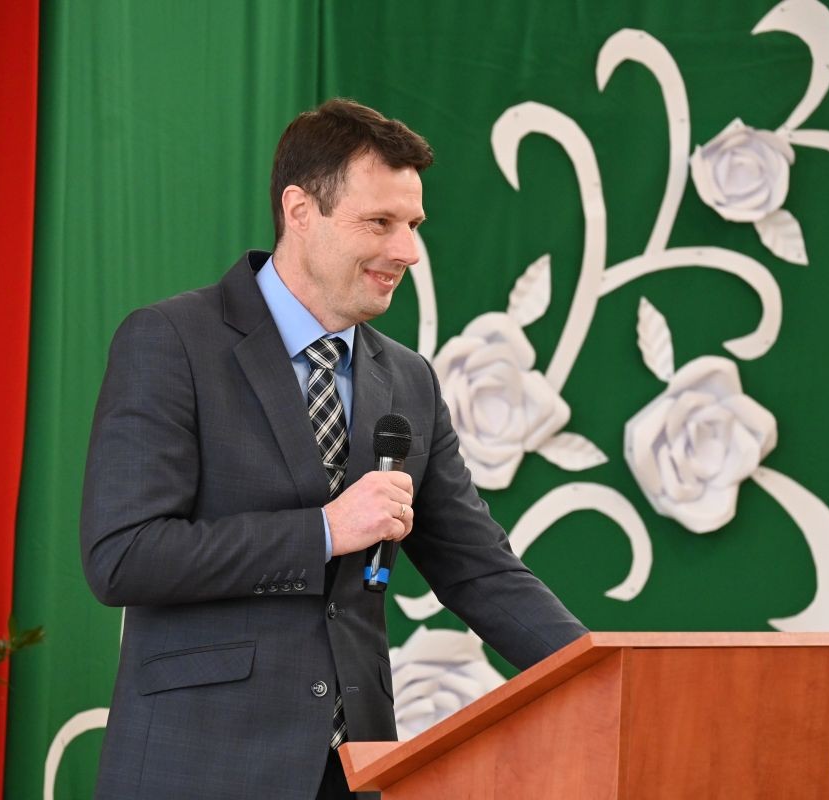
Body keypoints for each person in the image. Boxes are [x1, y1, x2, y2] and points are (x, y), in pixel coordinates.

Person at [79, 98, 587, 800]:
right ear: (300, 210)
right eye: (380, 223)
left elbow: (480, 570)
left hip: (354, 772)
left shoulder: (409, 378)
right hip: (198, 768)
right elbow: (123, 556)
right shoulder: (171, 341)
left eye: (413, 225)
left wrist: (604, 673)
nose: (407, 251)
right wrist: (323, 531)